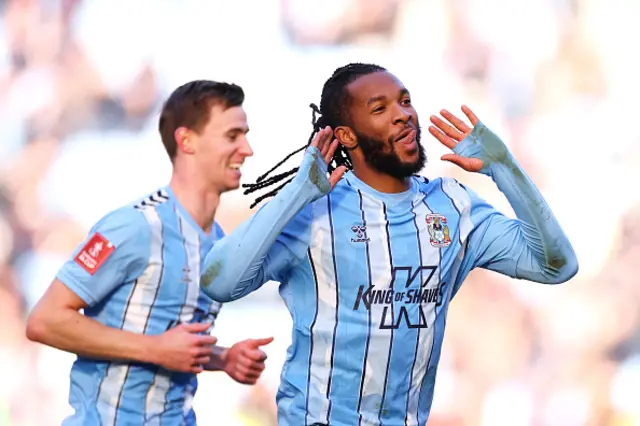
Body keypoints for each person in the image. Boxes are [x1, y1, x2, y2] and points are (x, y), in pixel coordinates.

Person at [199, 63, 579, 426]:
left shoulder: (452, 206)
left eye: (405, 100)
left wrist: (505, 168)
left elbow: (555, 266)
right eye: (380, 108)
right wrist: (296, 193)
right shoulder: (315, 211)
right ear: (347, 135)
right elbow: (219, 282)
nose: (402, 114)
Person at [25, 80, 274, 426]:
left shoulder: (217, 242)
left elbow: (171, 339)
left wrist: (223, 358)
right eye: (232, 136)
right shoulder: (134, 227)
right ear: (186, 141)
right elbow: (45, 320)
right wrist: (155, 349)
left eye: (245, 135)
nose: (247, 149)